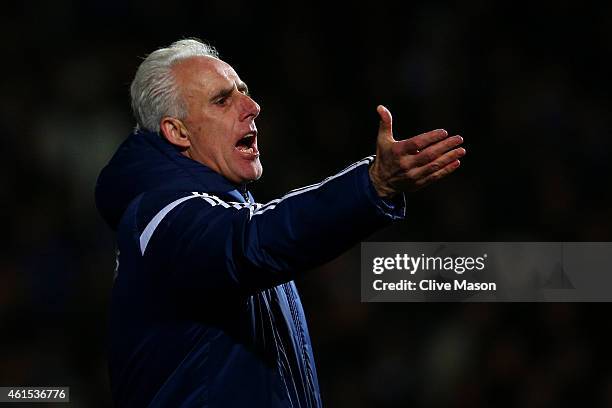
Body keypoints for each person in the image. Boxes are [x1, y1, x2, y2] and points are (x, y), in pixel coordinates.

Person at [95, 39, 465, 407]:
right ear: (177, 132)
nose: (252, 107)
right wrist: (372, 185)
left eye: (244, 92)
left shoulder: (224, 206)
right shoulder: (159, 214)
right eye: (223, 100)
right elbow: (251, 243)